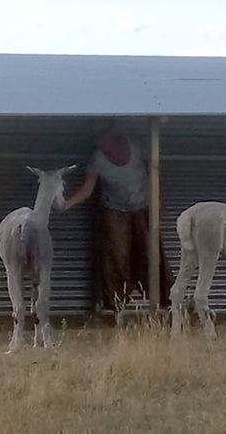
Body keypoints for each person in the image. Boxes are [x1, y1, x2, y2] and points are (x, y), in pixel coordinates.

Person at [63, 120, 174, 312]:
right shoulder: (97, 160)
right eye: (97, 139)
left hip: (143, 205)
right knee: (116, 254)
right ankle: (116, 302)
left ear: (113, 134)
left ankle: (166, 299)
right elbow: (87, 190)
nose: (101, 142)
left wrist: (158, 201)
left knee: (151, 250)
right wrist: (67, 203)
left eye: (103, 137)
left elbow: (154, 172)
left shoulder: (135, 146)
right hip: (114, 208)